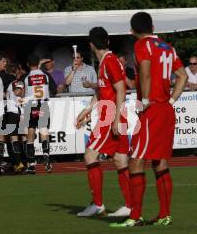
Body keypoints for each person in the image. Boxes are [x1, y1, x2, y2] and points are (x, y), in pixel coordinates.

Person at [110, 12, 188, 228]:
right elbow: (182, 75)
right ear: (152, 26)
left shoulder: (142, 45)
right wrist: (171, 100)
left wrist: (144, 100)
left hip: (151, 109)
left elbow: (144, 71)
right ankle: (164, 215)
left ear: (132, 30)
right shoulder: (167, 47)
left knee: (136, 160)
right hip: (165, 109)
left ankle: (135, 216)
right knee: (160, 162)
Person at [75, 27, 131, 218]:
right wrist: (87, 110)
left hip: (111, 116)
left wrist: (114, 119)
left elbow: (121, 89)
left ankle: (98, 204)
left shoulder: (109, 61)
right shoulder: (106, 62)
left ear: (91, 45)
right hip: (116, 114)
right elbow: (102, 91)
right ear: (107, 41)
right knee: (120, 159)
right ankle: (129, 206)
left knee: (90, 155)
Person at [23, 54, 55, 174]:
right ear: (39, 63)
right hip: (43, 105)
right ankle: (46, 157)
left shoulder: (25, 77)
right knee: (44, 133)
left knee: (30, 134)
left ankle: (31, 164)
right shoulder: (46, 75)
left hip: (30, 106)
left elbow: (20, 92)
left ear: (27, 64)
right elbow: (55, 90)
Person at [5, 64, 26, 173]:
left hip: (13, 113)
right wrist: (22, 93)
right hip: (19, 112)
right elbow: (18, 92)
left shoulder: (9, 85)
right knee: (22, 138)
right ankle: (25, 162)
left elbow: (10, 94)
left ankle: (19, 162)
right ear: (16, 72)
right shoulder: (18, 83)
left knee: (14, 138)